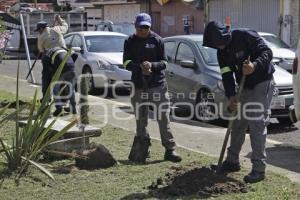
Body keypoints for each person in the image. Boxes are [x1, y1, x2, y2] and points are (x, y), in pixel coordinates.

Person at [203, 21, 275, 183]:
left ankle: (258, 169)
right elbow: (226, 74)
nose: (218, 47)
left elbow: (267, 52)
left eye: (219, 44)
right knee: (237, 123)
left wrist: (254, 65)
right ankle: (232, 161)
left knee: (256, 123)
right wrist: (231, 96)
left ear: (224, 36)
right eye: (215, 46)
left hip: (262, 82)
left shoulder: (244, 35)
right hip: (243, 85)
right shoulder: (221, 52)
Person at [123, 13, 182, 163]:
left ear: (150, 27)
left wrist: (152, 65)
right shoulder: (129, 41)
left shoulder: (157, 40)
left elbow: (165, 62)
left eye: (146, 27)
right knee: (141, 120)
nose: (143, 30)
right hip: (138, 86)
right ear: (135, 26)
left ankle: (170, 149)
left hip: (157, 86)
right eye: (140, 27)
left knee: (163, 118)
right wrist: (139, 67)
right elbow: (125, 62)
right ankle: (143, 150)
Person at [35, 15, 68, 98]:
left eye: (39, 30)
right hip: (64, 53)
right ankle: (66, 100)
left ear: (41, 29)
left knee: (46, 77)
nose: (38, 32)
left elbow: (41, 50)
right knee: (65, 78)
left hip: (50, 56)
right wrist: (60, 19)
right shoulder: (57, 29)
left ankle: (46, 98)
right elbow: (65, 26)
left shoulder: (41, 36)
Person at [42, 47, 77, 116]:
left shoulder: (46, 57)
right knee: (71, 89)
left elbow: (45, 77)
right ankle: (73, 108)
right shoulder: (60, 48)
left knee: (55, 89)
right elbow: (75, 55)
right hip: (71, 67)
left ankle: (59, 108)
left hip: (62, 69)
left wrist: (45, 95)